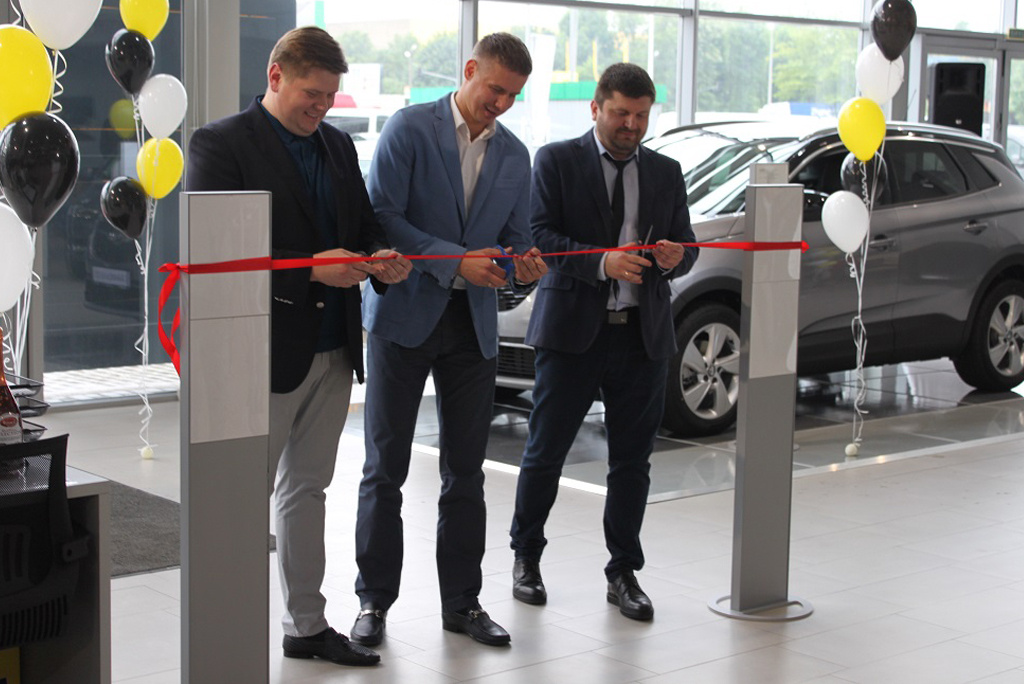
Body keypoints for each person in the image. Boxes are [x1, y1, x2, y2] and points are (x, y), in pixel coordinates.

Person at [186, 26, 411, 666]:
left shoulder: (338, 146)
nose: (322, 107)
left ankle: (306, 626)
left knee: (308, 490)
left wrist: (380, 257)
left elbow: (362, 225)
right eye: (312, 93)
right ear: (275, 75)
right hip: (257, 352)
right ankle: (226, 639)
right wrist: (312, 269)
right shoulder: (220, 144)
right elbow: (217, 254)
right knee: (241, 497)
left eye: (331, 96)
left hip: (334, 349)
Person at [352, 32, 547, 648]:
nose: (502, 104)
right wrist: (456, 260)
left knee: (467, 473)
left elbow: (516, 242)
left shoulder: (515, 155)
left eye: (513, 96)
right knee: (385, 468)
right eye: (495, 89)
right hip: (403, 318)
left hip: (473, 327)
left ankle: (463, 603)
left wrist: (523, 267)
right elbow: (383, 217)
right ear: (469, 70)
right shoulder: (409, 129)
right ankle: (373, 601)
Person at [508, 63, 698, 621]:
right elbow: (540, 236)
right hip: (572, 334)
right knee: (545, 453)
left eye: (641, 115)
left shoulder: (665, 171)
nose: (631, 125)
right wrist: (602, 262)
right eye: (620, 114)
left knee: (632, 462)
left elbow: (688, 244)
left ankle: (623, 572)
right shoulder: (556, 160)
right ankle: (526, 557)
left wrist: (676, 256)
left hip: (642, 336)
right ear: (596, 109)